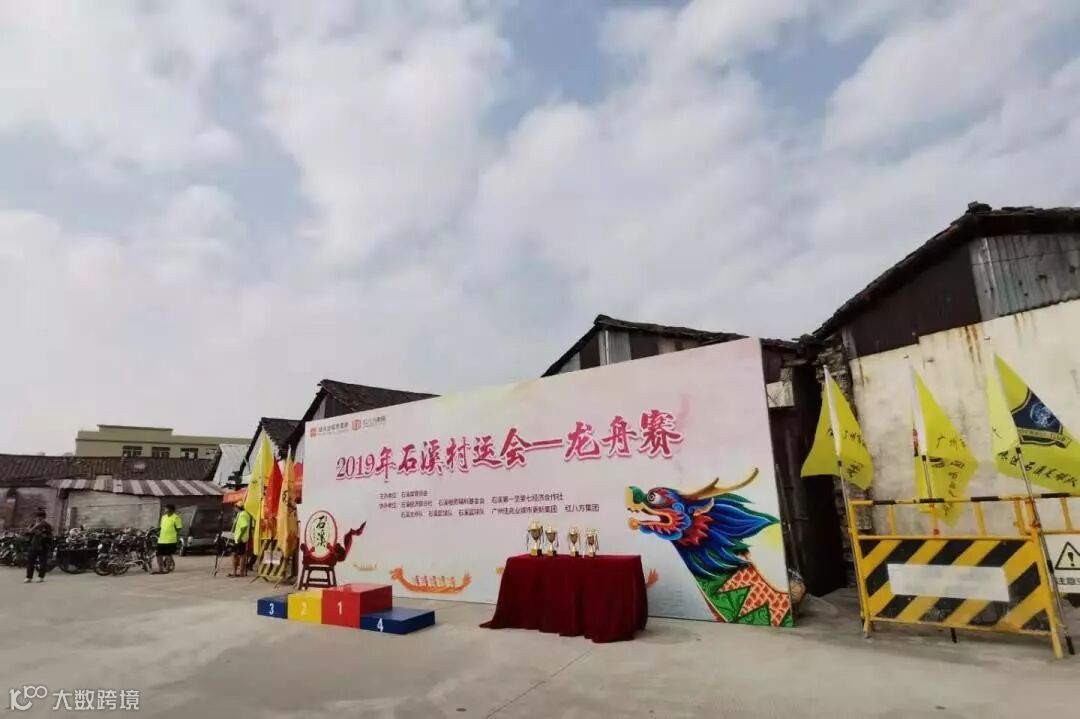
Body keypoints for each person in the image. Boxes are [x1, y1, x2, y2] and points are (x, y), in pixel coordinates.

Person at [25, 509, 52, 583]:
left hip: (43, 546)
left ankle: (40, 577)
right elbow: (28, 532)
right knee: (30, 562)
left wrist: (40, 534)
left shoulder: (47, 525)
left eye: (41, 517)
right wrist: (35, 527)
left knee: (42, 562)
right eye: (37, 517)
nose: (39, 518)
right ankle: (29, 577)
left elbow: (49, 536)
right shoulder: (33, 524)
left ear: (44, 518)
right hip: (33, 546)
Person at [154, 504, 182, 574]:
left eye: (167, 509)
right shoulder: (163, 517)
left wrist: (173, 532)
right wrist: (158, 532)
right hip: (161, 539)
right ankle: (160, 569)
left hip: (170, 539)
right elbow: (161, 527)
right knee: (158, 554)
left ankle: (167, 569)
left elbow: (179, 528)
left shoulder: (176, 517)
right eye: (165, 509)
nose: (165, 510)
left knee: (168, 554)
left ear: (172, 510)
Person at [229, 500, 252, 578]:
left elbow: (244, 526)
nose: (234, 509)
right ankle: (240, 572)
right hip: (242, 538)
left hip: (240, 538)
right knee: (240, 555)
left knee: (236, 554)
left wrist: (239, 537)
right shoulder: (244, 514)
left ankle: (237, 572)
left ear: (237, 507)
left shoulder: (242, 515)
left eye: (235, 507)